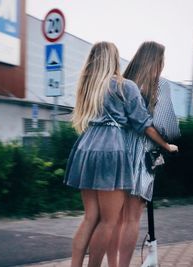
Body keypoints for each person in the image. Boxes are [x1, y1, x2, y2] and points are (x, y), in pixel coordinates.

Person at [64, 41, 178, 267]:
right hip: (111, 149)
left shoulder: (89, 87)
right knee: (109, 220)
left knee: (90, 218)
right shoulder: (124, 86)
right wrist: (166, 145)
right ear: (113, 59)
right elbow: (143, 124)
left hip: (86, 146)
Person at [107, 41, 180, 267]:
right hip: (140, 155)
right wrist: (170, 140)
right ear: (157, 61)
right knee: (131, 219)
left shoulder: (120, 83)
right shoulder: (159, 85)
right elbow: (167, 125)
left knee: (114, 219)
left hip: (115, 150)